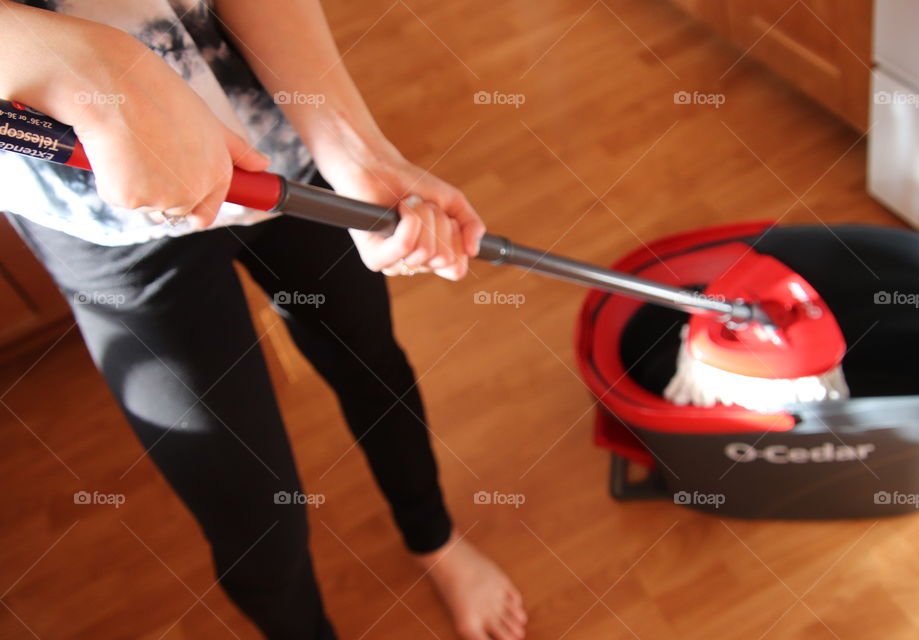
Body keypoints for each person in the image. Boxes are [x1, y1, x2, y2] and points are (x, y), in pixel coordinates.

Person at [0, 1, 527, 639]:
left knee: (368, 360)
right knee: (255, 522)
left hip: (273, 142)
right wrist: (86, 67)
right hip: (101, 226)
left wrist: (356, 151)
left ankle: (434, 540)